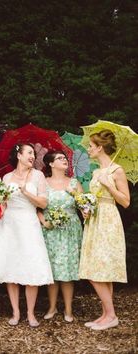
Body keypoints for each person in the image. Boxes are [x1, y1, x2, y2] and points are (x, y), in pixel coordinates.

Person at [0, 143, 53, 327]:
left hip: (29, 223)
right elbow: (3, 203)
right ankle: (16, 312)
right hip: (10, 225)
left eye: (33, 154)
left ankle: (30, 313)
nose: (32, 156)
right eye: (29, 152)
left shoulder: (38, 176)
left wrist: (25, 192)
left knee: (31, 267)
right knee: (10, 267)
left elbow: (43, 204)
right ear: (19, 155)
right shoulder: (6, 177)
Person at [79, 129, 130, 330]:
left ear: (100, 147)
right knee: (99, 269)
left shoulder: (116, 171)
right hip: (95, 220)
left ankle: (111, 315)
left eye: (91, 146)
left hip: (109, 221)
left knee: (97, 271)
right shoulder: (96, 171)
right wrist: (86, 209)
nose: (89, 149)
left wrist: (110, 186)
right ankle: (105, 314)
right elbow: (94, 198)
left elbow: (125, 201)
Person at [38, 150, 83, 322]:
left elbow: (83, 205)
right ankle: (52, 307)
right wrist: (44, 221)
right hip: (50, 230)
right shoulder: (44, 183)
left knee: (67, 270)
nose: (64, 160)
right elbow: (36, 207)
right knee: (53, 270)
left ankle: (69, 310)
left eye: (65, 158)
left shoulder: (74, 183)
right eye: (60, 158)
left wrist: (85, 208)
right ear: (50, 164)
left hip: (70, 230)